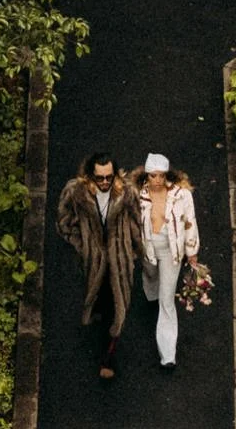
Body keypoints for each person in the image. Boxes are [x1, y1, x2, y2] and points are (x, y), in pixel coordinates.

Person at [55, 151, 142, 380]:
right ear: (90, 175)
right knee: (98, 298)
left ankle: (108, 358)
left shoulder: (127, 193)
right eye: (100, 177)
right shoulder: (76, 192)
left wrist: (133, 253)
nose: (105, 182)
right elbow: (63, 222)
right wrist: (82, 245)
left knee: (118, 305)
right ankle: (98, 315)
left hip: (119, 260)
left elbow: (137, 223)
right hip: (93, 261)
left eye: (109, 177)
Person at [136, 153, 200, 370]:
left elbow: (190, 222)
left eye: (161, 176)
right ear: (146, 175)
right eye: (153, 175)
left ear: (166, 175)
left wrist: (191, 251)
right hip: (147, 251)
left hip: (171, 252)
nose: (157, 180)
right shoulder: (136, 196)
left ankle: (168, 354)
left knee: (167, 301)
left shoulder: (181, 196)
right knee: (150, 276)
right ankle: (150, 293)